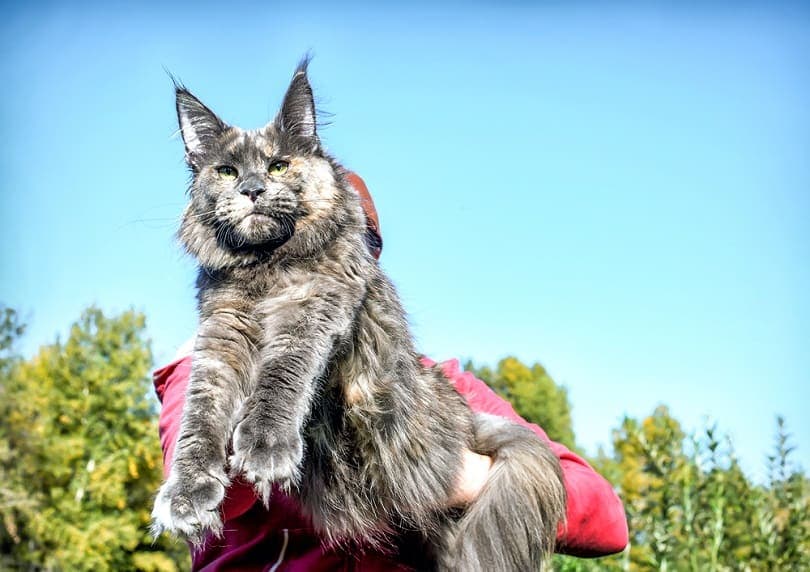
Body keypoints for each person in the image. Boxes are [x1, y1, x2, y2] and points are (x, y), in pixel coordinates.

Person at [153, 174, 629, 571]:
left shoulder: (444, 384)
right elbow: (215, 496)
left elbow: (606, 520)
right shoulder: (206, 360)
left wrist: (459, 476)